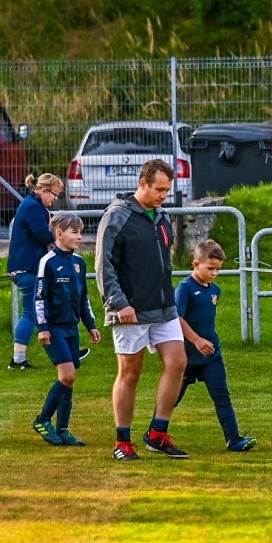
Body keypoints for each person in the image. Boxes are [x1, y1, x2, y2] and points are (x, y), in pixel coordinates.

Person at [96, 159, 189, 461]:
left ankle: (158, 433)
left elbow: (166, 263)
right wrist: (119, 303)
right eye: (159, 189)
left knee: (177, 363)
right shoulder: (116, 216)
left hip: (163, 308)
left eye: (167, 190)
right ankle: (122, 442)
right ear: (143, 183)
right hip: (129, 310)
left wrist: (170, 298)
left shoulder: (162, 217)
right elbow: (103, 265)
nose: (164, 195)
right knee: (130, 373)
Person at [175, 240, 257, 452]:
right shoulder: (184, 289)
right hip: (186, 355)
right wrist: (196, 340)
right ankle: (155, 433)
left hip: (211, 354)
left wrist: (206, 341)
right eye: (210, 268)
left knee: (222, 395)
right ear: (196, 264)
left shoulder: (215, 290)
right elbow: (177, 319)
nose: (214, 273)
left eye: (218, 269)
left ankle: (234, 440)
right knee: (172, 398)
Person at [31, 212, 101, 447]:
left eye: (81, 232)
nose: (80, 236)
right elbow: (39, 296)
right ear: (59, 234)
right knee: (67, 376)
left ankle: (63, 429)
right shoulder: (47, 261)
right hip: (54, 329)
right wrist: (42, 327)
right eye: (75, 232)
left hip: (72, 328)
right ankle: (42, 420)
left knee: (70, 381)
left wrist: (90, 325)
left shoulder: (79, 263)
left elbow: (83, 298)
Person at [7, 173, 65, 370]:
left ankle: (64, 350)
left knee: (42, 310)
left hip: (26, 267)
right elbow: (43, 235)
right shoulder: (33, 207)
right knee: (32, 313)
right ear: (43, 191)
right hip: (28, 268)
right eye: (54, 195)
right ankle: (18, 359)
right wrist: (62, 234)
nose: (55, 199)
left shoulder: (32, 205)